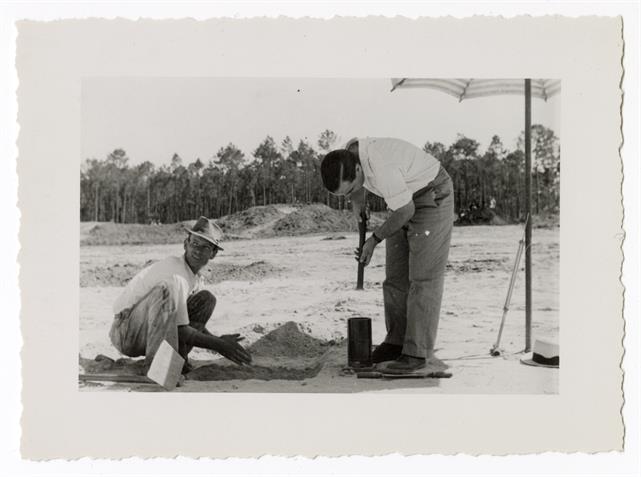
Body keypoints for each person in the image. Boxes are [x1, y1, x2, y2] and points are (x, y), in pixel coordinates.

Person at [321, 137, 454, 374]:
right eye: (344, 194)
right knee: (395, 277)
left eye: (349, 189)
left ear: (359, 170)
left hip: (431, 194)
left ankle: (416, 353)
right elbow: (361, 189)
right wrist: (356, 202)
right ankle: (395, 343)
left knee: (423, 277)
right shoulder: (351, 156)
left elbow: (406, 210)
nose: (349, 195)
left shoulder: (381, 165)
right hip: (402, 197)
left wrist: (374, 240)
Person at [109, 216, 252, 373]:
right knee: (167, 288)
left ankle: (178, 360)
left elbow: (185, 321)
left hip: (147, 329)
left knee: (206, 299)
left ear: (213, 253)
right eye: (194, 244)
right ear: (186, 244)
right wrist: (219, 345)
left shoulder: (195, 278)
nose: (197, 250)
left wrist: (218, 340)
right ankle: (157, 369)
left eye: (205, 247)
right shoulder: (177, 273)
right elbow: (182, 329)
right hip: (125, 331)